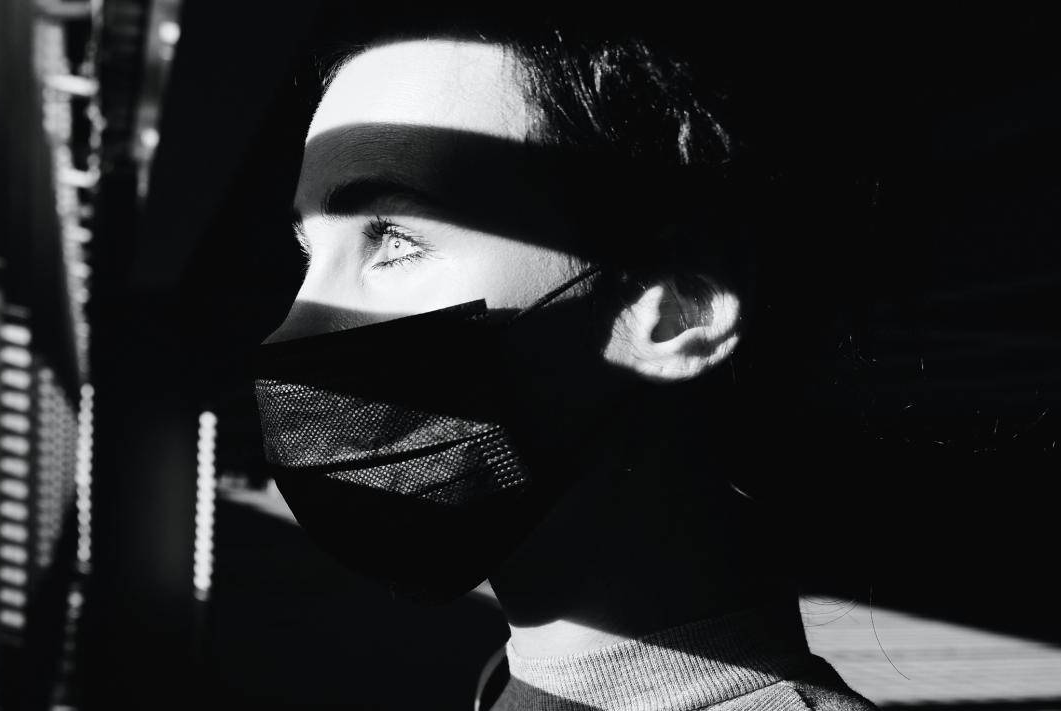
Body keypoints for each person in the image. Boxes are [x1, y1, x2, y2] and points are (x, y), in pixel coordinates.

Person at [250, 12, 879, 710]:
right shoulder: (514, 678)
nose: (289, 332)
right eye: (312, 253)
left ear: (681, 308)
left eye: (395, 238)